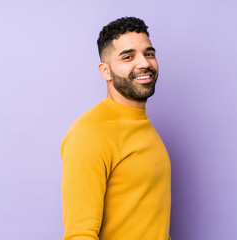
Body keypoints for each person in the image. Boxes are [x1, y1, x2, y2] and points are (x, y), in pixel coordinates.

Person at [60, 17, 171, 240]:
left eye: (149, 53)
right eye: (128, 57)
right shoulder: (90, 133)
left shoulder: (142, 124)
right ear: (106, 71)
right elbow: (79, 235)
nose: (144, 63)